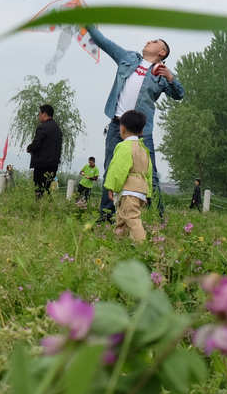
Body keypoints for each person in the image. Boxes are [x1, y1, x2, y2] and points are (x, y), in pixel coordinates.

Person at [85, 25, 184, 222]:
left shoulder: (161, 74)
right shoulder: (128, 58)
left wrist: (171, 78)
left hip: (141, 131)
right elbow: (103, 41)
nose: (148, 41)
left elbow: (179, 94)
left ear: (162, 52)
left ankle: (158, 217)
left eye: (154, 41)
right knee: (110, 168)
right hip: (117, 125)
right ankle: (106, 215)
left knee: (151, 174)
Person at [104, 109, 151, 243]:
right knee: (122, 219)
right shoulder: (144, 149)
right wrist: (148, 193)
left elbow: (118, 169)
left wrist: (111, 186)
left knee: (132, 219)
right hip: (140, 190)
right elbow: (149, 172)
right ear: (141, 131)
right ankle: (120, 243)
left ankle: (142, 245)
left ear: (122, 128)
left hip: (129, 190)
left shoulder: (124, 146)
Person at [25, 104, 63, 199]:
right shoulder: (58, 129)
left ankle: (39, 208)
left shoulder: (43, 127)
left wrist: (29, 148)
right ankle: (46, 207)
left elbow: (36, 144)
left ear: (44, 114)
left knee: (39, 188)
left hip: (42, 164)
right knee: (47, 187)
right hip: (53, 165)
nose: (39, 116)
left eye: (39, 114)